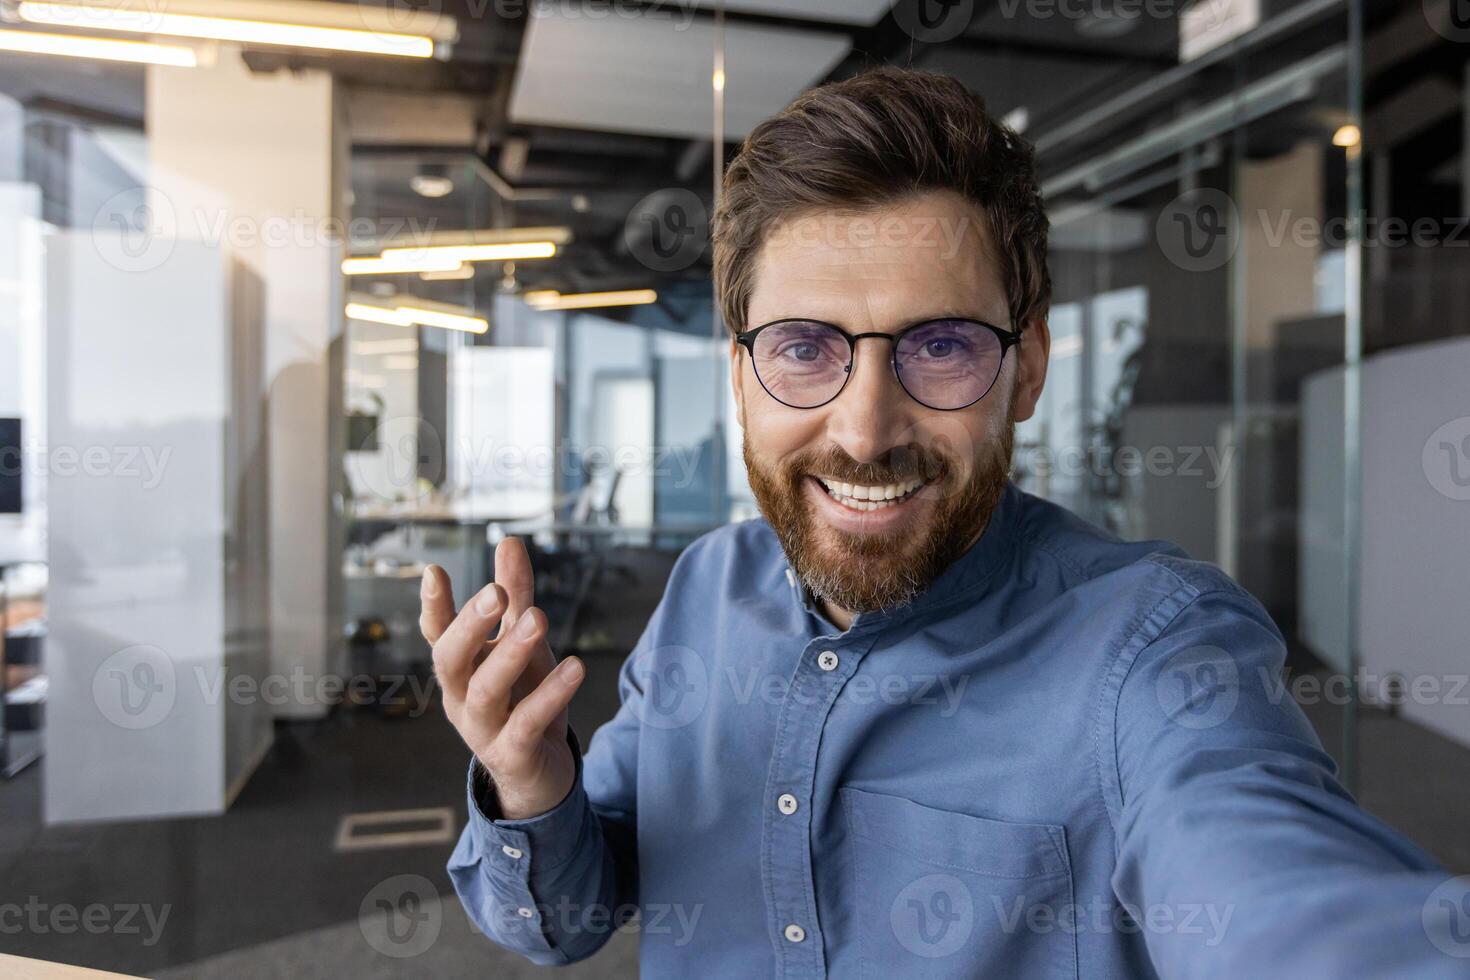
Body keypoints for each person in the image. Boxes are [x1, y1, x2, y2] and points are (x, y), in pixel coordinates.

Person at [423, 68, 1461, 978]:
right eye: (802, 347)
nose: (867, 428)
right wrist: (532, 785)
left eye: (944, 345)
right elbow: (565, 921)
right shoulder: (705, 589)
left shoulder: (1150, 648)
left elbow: (1281, 895)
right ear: (741, 377)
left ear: (1028, 370)